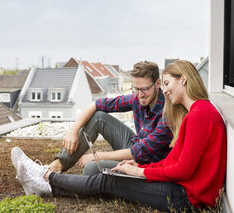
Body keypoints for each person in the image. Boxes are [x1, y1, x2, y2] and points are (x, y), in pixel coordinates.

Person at [12, 60, 227, 211]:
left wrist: (138, 171)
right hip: (180, 189)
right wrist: (137, 169)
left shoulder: (198, 114)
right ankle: (49, 176)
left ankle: (46, 179)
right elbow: (176, 162)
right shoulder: (196, 113)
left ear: (184, 80)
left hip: (186, 197)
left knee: (106, 181)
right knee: (108, 178)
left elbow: (182, 169)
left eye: (168, 84)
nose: (167, 91)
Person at [14, 61, 173, 176]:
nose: (140, 95)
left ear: (157, 83)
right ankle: (54, 166)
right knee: (98, 117)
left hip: (146, 164)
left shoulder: (167, 113)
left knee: (90, 169)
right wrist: (73, 130)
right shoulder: (136, 99)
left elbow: (139, 152)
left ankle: (50, 177)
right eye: (136, 89)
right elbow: (96, 105)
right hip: (135, 145)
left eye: (144, 89)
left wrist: (97, 156)